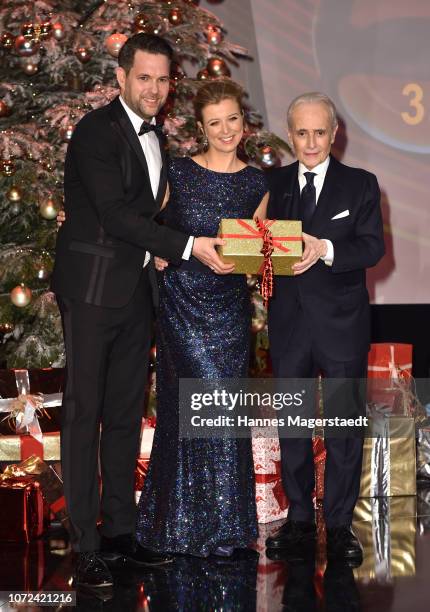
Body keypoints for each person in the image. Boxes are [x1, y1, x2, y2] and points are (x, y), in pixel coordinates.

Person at [51, 33, 234, 591]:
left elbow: (143, 214)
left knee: (127, 411)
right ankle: (85, 542)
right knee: (85, 413)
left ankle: (120, 535)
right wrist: (184, 246)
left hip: (135, 290)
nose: (155, 89)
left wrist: (170, 246)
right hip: (91, 288)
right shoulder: (94, 131)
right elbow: (111, 213)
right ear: (122, 78)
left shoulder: (157, 137)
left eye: (163, 79)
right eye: (145, 78)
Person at [135, 78, 269, 557]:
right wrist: (161, 254)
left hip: (229, 313)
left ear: (243, 121)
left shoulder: (257, 183)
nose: (226, 129)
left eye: (233, 119)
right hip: (181, 308)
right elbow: (148, 226)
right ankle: (179, 526)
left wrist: (257, 262)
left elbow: (257, 255)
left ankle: (226, 528)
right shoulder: (178, 173)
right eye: (215, 122)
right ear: (201, 127)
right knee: (191, 404)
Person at [264, 92, 385, 563]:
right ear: (290, 133)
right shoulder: (272, 184)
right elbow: (253, 241)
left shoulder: (360, 184)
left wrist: (326, 249)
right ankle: (297, 520)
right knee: (291, 425)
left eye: (319, 132)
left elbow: (371, 247)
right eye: (301, 132)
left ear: (335, 134)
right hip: (289, 324)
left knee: (343, 428)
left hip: (342, 325)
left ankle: (338, 526)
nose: (310, 142)